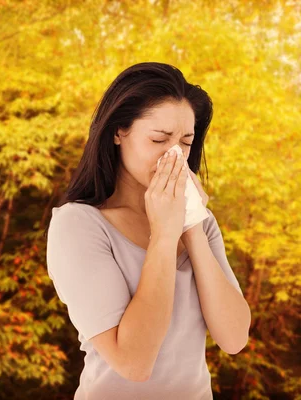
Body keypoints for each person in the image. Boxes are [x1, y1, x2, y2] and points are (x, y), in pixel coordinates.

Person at [45, 62, 250, 399]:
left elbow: (233, 338)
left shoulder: (200, 222)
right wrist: (165, 236)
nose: (175, 155)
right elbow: (134, 363)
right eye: (159, 138)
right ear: (118, 132)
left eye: (186, 141)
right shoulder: (78, 224)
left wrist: (192, 226)